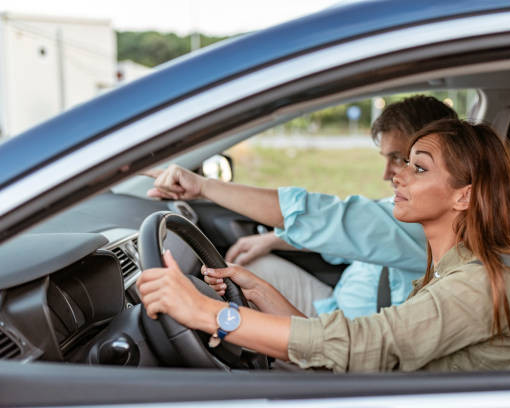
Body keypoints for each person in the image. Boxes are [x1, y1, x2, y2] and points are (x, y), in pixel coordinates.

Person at [137, 119, 510, 372]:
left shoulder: (481, 284)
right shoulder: (455, 268)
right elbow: (359, 352)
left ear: (463, 196)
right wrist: (262, 294)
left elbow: (367, 346)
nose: (397, 175)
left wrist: (209, 314)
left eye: (417, 167)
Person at [144, 96, 458, 318]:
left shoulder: (427, 223)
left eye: (402, 160)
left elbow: (331, 219)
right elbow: (353, 233)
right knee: (247, 269)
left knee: (229, 293)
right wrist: (272, 239)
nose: (388, 173)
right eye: (390, 159)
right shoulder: (410, 210)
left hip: (348, 334)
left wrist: (203, 186)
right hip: (335, 311)